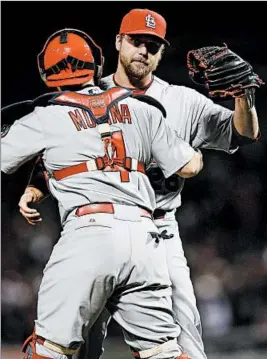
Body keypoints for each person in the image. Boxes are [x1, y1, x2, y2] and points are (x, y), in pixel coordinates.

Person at [17, 8, 262, 359]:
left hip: (159, 230)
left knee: (183, 339)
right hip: (92, 230)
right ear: (118, 42)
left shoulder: (183, 101)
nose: (143, 51)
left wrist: (244, 96)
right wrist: (34, 189)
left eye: (152, 44)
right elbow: (54, 153)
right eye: (135, 41)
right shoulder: (85, 91)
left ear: (162, 51)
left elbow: (244, 133)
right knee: (77, 345)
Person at [1, 28, 204, 359]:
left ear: (45, 72)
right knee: (163, 352)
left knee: (49, 350)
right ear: (96, 63)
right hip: (145, 241)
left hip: (89, 233)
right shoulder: (143, 107)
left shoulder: (43, 116)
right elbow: (190, 167)